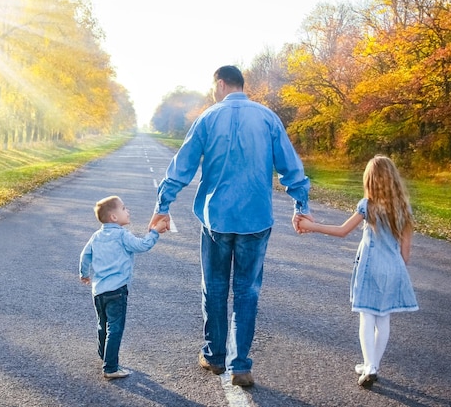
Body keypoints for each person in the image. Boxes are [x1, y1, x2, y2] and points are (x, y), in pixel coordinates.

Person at [149, 65, 312, 387]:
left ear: (221, 84)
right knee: (247, 292)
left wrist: (163, 206)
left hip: (217, 220)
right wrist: (301, 206)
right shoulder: (268, 118)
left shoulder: (208, 118)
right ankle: (240, 366)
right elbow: (291, 168)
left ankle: (214, 357)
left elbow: (182, 166)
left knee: (215, 288)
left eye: (214, 87)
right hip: (255, 219)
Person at [297, 155, 418, 388]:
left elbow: (342, 231)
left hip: (370, 267)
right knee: (383, 318)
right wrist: (398, 271)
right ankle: (372, 365)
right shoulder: (404, 208)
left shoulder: (368, 206)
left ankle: (370, 366)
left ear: (370, 181)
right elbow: (406, 251)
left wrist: (310, 226)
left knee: (366, 315)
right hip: (393, 268)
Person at [80, 195, 168, 379]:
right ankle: (111, 367)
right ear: (114, 217)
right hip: (117, 290)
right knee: (115, 328)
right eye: (124, 208)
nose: (128, 211)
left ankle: (104, 355)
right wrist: (155, 232)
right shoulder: (122, 235)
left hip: (98, 291)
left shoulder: (96, 237)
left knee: (102, 324)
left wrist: (84, 274)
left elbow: (85, 255)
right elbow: (142, 245)